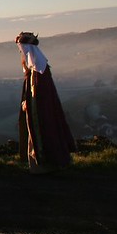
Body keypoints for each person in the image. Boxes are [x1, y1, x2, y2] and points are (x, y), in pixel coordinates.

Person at [16, 32, 76, 174]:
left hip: (41, 110)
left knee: (44, 133)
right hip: (35, 108)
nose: (21, 52)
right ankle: (37, 166)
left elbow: (40, 93)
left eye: (21, 48)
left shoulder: (40, 68)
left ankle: (44, 166)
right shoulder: (34, 67)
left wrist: (31, 103)